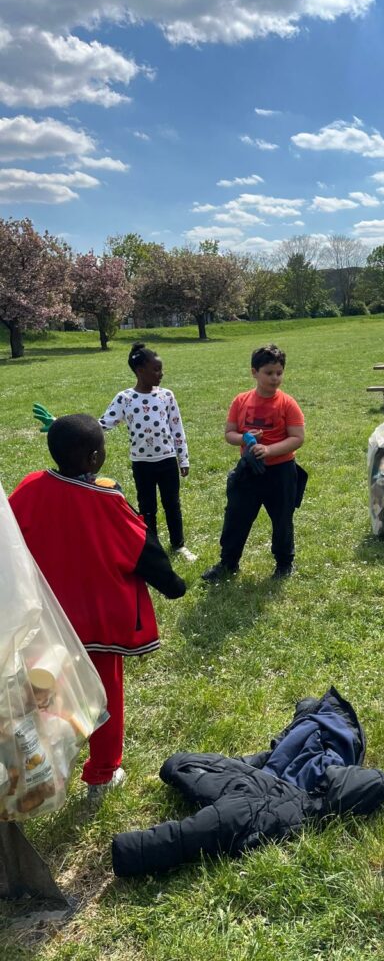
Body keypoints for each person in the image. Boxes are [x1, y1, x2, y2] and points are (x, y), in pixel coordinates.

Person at [9, 415, 186, 800]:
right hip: (100, 624)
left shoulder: (29, 488)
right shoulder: (106, 500)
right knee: (104, 697)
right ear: (93, 458)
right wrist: (174, 586)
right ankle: (102, 775)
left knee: (44, 694)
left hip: (46, 622)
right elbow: (144, 550)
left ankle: (41, 768)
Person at [202, 344, 306, 583]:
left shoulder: (287, 403)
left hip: (280, 471)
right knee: (236, 517)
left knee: (282, 519)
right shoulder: (241, 401)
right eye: (269, 373)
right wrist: (245, 439)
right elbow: (229, 433)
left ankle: (284, 563)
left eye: (279, 373)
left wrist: (268, 450)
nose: (275, 378)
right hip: (248, 470)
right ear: (254, 372)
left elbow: (297, 438)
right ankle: (228, 563)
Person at [99, 342, 196, 562]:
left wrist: (183, 458)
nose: (161, 374)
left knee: (172, 504)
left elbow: (177, 428)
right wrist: (65, 424)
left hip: (167, 460)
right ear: (140, 370)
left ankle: (179, 545)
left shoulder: (167, 396)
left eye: (161, 369)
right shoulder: (125, 398)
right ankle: (152, 546)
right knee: (147, 507)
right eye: (156, 369)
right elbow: (103, 423)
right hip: (142, 463)